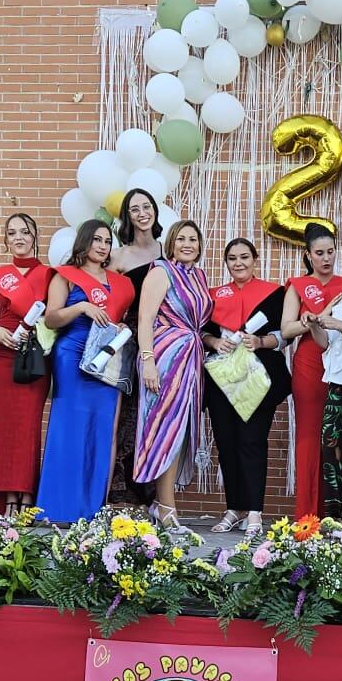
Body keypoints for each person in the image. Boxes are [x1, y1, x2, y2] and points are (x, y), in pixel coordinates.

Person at [34, 219, 136, 523]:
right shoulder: (65, 276)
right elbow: (51, 318)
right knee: (69, 429)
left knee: (103, 430)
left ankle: (93, 508)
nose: (103, 246)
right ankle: (59, 507)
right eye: (97, 240)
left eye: (107, 241)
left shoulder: (122, 283)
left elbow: (122, 320)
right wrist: (81, 308)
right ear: (85, 241)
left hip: (105, 360)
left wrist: (119, 326)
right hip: (72, 355)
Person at [201, 237, 293, 536]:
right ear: (226, 263)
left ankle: (254, 511)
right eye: (232, 258)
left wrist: (262, 341)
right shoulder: (213, 296)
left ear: (255, 259)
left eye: (244, 257)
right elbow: (201, 332)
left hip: (257, 378)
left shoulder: (274, 294)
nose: (238, 263)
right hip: (222, 378)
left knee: (252, 442)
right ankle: (234, 508)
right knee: (226, 443)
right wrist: (214, 341)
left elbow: (285, 335)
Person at [281, 223, 342, 523]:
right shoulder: (298, 285)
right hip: (310, 364)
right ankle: (306, 512)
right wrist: (312, 320)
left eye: (331, 252)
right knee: (309, 436)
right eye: (319, 253)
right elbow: (286, 329)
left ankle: (339, 511)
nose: (326, 258)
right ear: (308, 255)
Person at [133, 220, 210, 527]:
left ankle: (162, 504)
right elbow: (144, 318)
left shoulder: (199, 277)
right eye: (181, 238)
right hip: (164, 358)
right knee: (165, 429)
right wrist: (148, 361)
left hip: (190, 360)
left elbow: (199, 325)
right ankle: (167, 509)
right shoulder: (161, 272)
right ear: (171, 243)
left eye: (193, 238)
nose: (188, 243)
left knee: (178, 432)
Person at [0, 214, 53, 514]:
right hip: (2, 354)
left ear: (35, 237)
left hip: (34, 356)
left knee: (29, 426)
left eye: (25, 232)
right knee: (6, 428)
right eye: (12, 233)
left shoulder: (51, 275)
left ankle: (27, 496)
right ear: (6, 239)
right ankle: (8, 497)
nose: (19, 237)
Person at [108, 190, 165, 508]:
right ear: (127, 217)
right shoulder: (118, 256)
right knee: (129, 413)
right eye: (134, 209)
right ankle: (123, 490)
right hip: (130, 341)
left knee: (156, 412)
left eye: (147, 206)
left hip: (164, 339)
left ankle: (153, 490)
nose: (142, 213)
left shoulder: (166, 251)